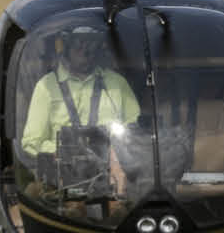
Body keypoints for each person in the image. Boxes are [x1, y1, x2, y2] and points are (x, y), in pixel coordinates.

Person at [18, 26, 139, 159]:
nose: (85, 52)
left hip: (112, 172)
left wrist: (116, 151)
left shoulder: (117, 84)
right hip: (64, 173)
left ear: (99, 48)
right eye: (78, 45)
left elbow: (136, 132)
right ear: (67, 47)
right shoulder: (46, 86)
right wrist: (65, 151)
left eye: (91, 45)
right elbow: (31, 143)